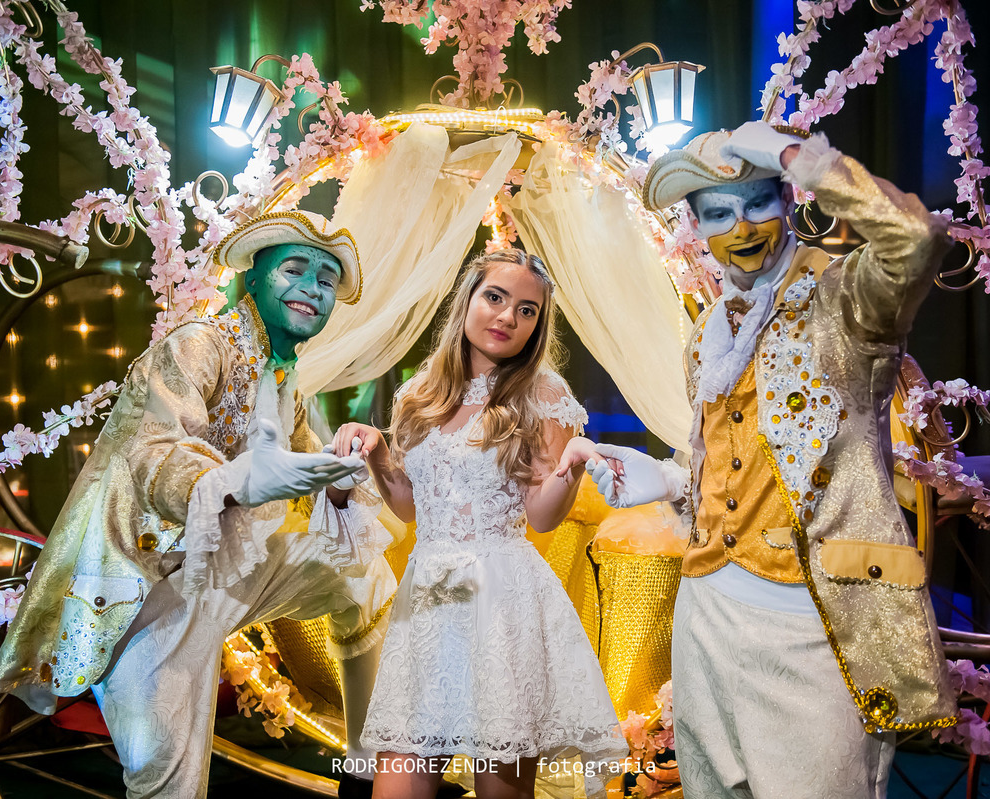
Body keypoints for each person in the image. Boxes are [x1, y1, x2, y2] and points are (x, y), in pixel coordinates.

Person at [588, 122, 958, 798]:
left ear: (788, 200)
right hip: (705, 617)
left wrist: (801, 159)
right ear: (697, 226)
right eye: (718, 213)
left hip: (813, 620)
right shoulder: (707, 335)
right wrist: (667, 480)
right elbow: (737, 460)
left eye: (758, 201)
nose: (742, 228)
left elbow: (916, 239)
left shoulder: (844, 299)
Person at [0, 210, 398, 799]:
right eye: (295, 269)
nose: (312, 287)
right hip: (152, 587)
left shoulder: (285, 383)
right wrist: (234, 480)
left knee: (363, 574)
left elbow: (312, 476)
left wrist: (343, 469)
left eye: (327, 280)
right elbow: (154, 449)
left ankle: (365, 769)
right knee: (168, 779)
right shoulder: (200, 344)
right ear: (253, 277)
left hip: (232, 574)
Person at [329, 249, 627, 799]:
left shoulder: (544, 394)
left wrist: (573, 463)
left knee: (501, 790)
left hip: (502, 602)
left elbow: (542, 517)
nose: (508, 316)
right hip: (431, 598)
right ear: (467, 300)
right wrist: (378, 455)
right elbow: (413, 508)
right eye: (495, 297)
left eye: (527, 310)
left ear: (537, 325)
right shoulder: (418, 393)